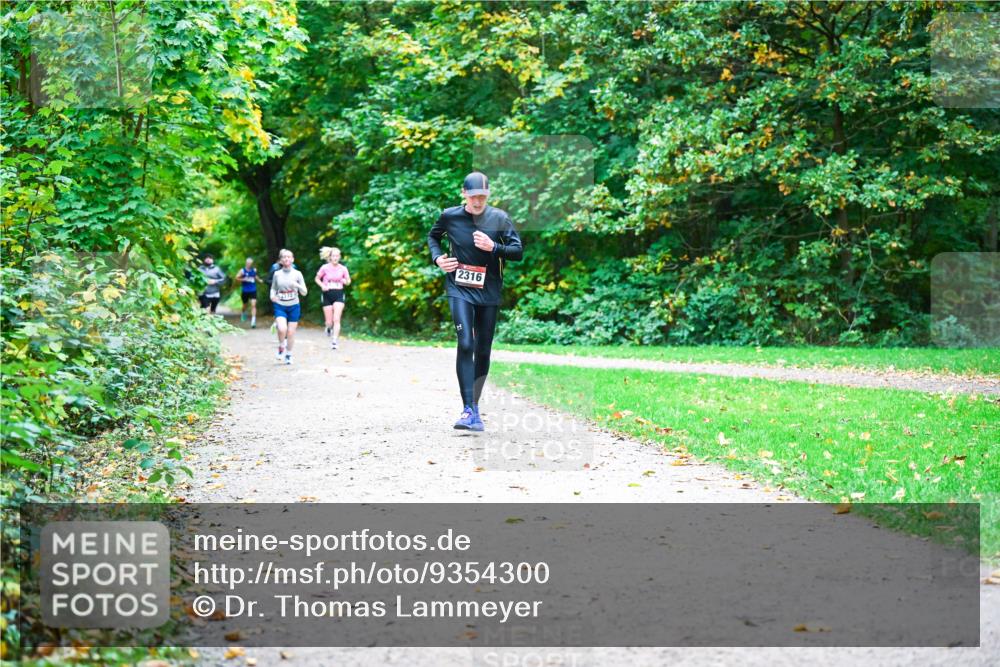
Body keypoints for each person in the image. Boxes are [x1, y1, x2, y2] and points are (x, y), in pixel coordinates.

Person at [427, 171, 523, 431]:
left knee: (482, 349)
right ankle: (468, 408)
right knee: (466, 342)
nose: (478, 202)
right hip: (459, 287)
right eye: (473, 197)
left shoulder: (499, 218)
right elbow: (433, 237)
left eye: (482, 197)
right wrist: (438, 259)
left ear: (488, 195)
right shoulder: (450, 216)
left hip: (489, 290)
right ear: (464, 194)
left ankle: (475, 407)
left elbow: (517, 251)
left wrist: (494, 247)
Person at [269, 249, 308, 365]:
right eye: (284, 257)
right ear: (281, 260)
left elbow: (304, 292)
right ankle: (281, 346)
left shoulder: (298, 274)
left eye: (289, 257)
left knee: (291, 332)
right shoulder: (277, 274)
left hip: (294, 306)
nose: (286, 259)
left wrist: (296, 285)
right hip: (280, 305)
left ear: (292, 259)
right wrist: (272, 296)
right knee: (282, 329)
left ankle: (289, 354)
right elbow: (273, 288)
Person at [315, 246, 352, 349]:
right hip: (327, 294)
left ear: (339, 257)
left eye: (337, 256)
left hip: (339, 294)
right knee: (329, 321)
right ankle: (328, 328)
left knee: (336, 319)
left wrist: (346, 281)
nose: (335, 258)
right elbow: (317, 278)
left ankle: (334, 341)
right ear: (330, 257)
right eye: (333, 256)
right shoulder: (324, 267)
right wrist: (322, 285)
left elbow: (348, 281)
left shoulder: (343, 268)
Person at [235, 257, 261, 328]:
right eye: (248, 263)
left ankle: (253, 321)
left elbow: (255, 276)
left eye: (251, 263)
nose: (250, 264)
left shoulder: (254, 270)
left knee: (253, 305)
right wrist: (243, 279)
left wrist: (260, 280)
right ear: (246, 263)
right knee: (245, 305)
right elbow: (236, 277)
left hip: (253, 289)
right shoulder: (242, 271)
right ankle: (243, 312)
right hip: (245, 290)